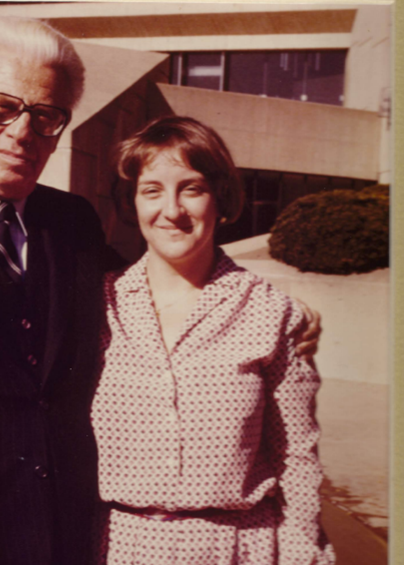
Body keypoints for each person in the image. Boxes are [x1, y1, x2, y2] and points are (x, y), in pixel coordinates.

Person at [0, 16, 321, 565]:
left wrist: (275, 311)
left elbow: (158, 284)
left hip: (68, 541)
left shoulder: (71, 225)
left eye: (46, 116)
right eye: (1, 106)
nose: (23, 132)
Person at [91, 116, 334, 564]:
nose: (172, 210)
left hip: (238, 550)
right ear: (131, 202)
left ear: (220, 198)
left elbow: (296, 458)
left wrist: (306, 556)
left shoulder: (272, 313)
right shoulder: (95, 306)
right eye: (152, 190)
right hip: (119, 548)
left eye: (192, 188)